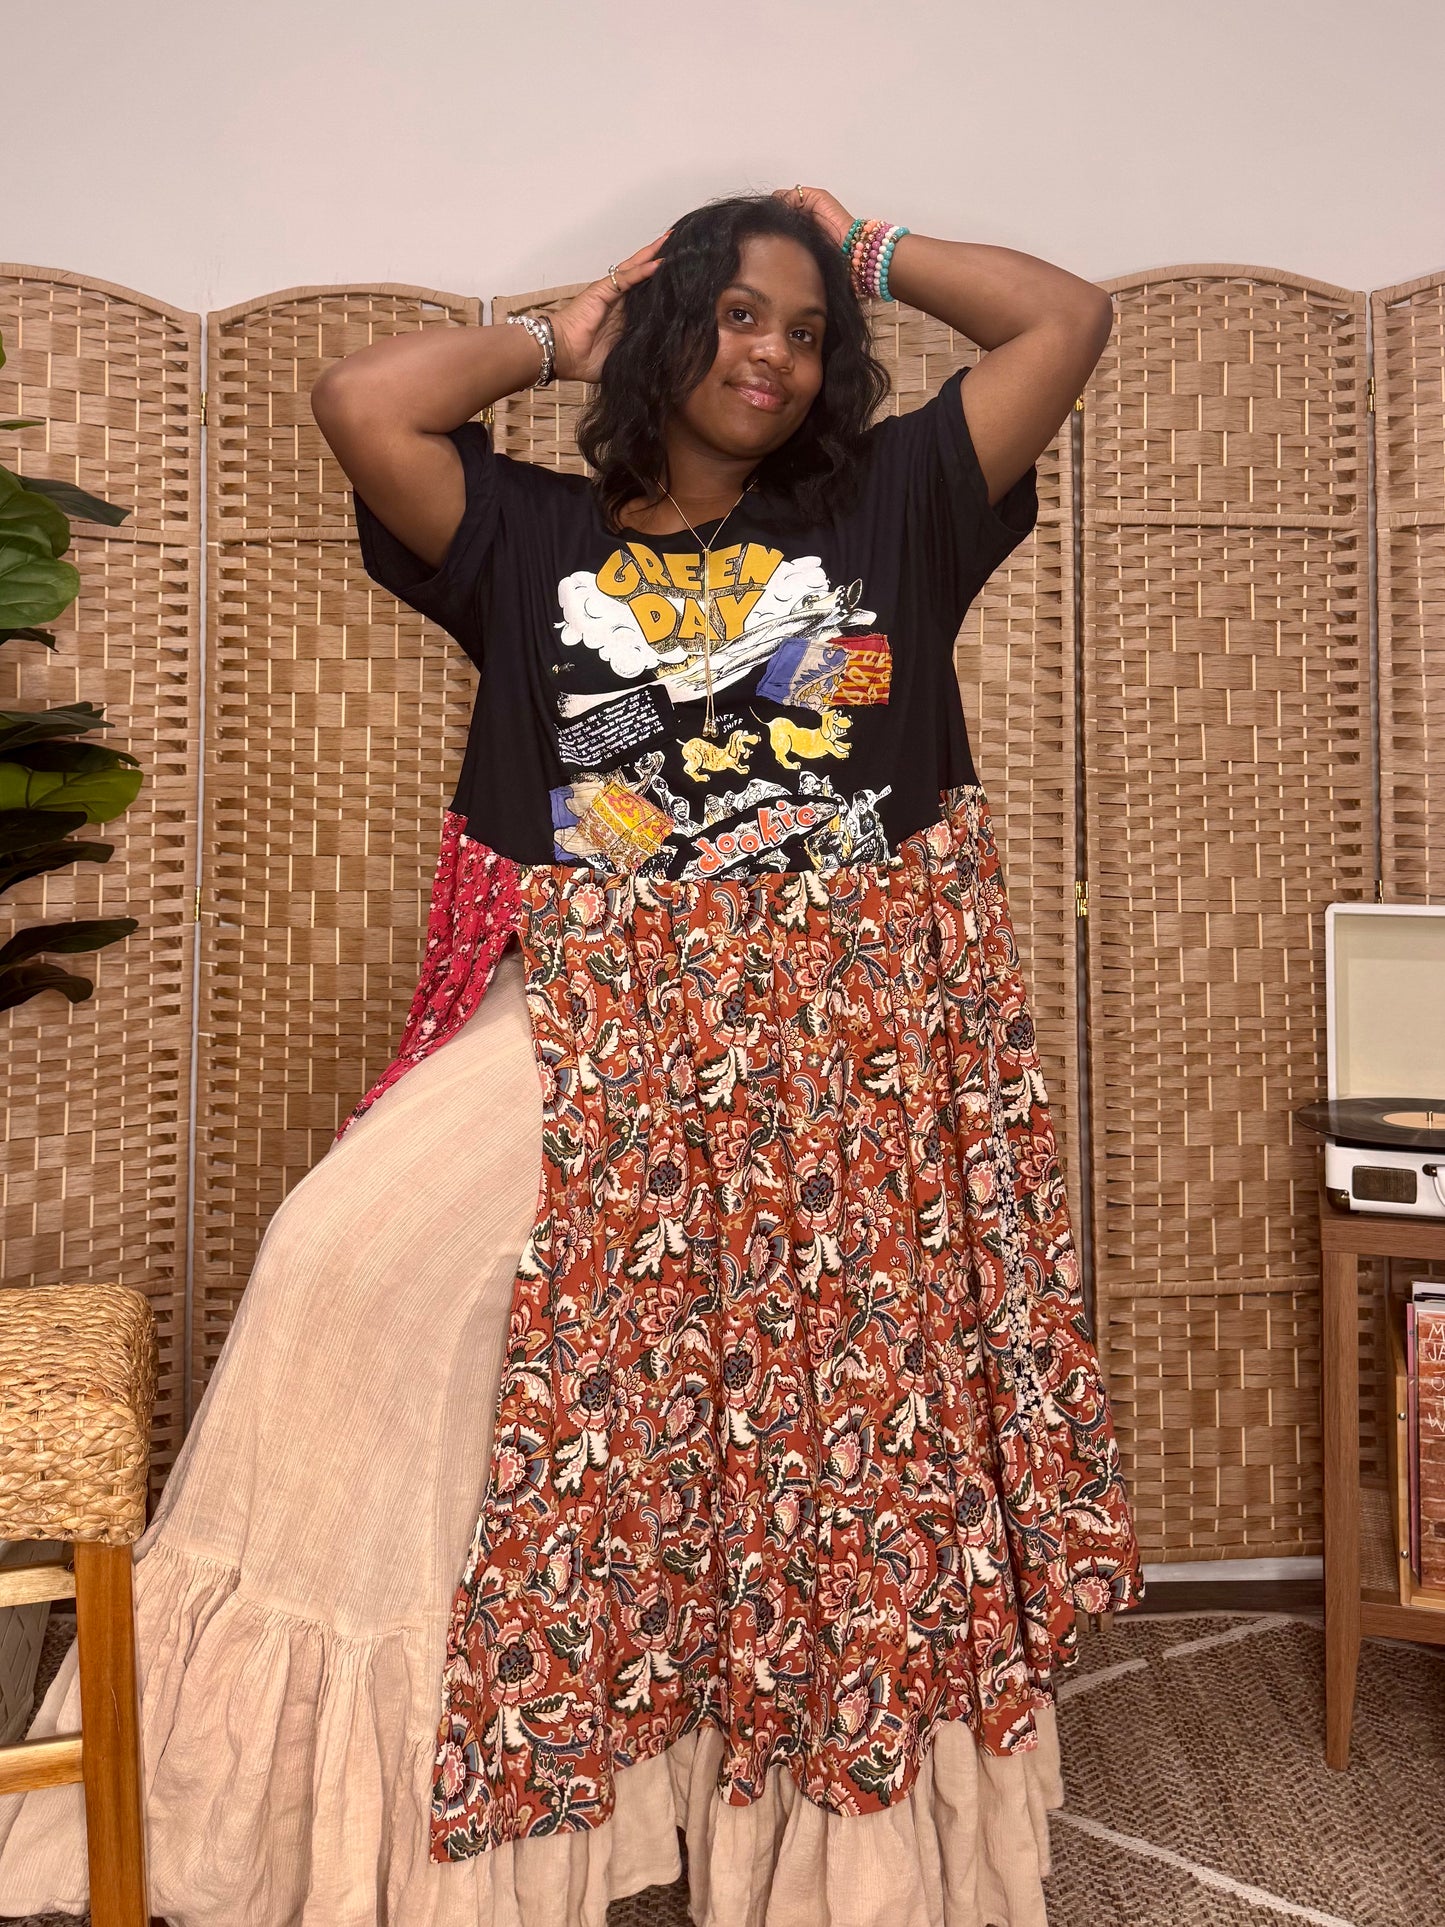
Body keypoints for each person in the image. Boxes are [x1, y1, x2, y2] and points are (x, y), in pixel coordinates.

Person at [0, 186, 1142, 1927]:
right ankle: (355, 1786)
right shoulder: (533, 539)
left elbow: (1063, 321)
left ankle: (799, 1830)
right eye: (737, 315)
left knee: (816, 1463)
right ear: (668, 329)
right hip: (597, 1015)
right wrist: (566, 330)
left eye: (805, 331)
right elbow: (363, 403)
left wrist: (858, 245)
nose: (774, 355)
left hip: (841, 1062)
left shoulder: (892, 506)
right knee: (345, 1257)